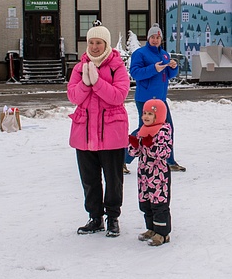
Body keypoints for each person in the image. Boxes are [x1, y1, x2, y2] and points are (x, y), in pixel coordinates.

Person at [68, 22, 130, 237]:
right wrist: (85, 82)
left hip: (111, 133)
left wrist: (96, 82)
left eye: (99, 43)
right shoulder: (79, 67)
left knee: (113, 180)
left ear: (106, 44)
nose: (94, 47)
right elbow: (74, 97)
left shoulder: (117, 67)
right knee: (90, 179)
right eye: (91, 42)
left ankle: (113, 217)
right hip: (84, 133)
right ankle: (95, 218)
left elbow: (118, 97)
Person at [128, 25, 184, 171]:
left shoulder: (165, 54)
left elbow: (168, 76)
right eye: (152, 37)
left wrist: (173, 67)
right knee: (144, 130)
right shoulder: (140, 54)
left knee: (167, 128)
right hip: (145, 99)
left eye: (158, 37)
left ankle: (169, 161)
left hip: (161, 99)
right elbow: (135, 73)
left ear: (161, 39)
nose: (155, 40)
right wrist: (154, 68)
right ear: (148, 38)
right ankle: (122, 158)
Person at [128, 98, 173, 246]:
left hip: (158, 175)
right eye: (144, 113)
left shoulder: (164, 130)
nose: (146, 117)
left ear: (158, 115)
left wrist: (150, 146)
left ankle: (163, 233)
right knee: (146, 203)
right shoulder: (142, 130)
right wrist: (134, 145)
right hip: (144, 175)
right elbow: (135, 153)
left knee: (159, 203)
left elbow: (164, 153)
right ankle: (151, 228)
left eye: (150, 114)